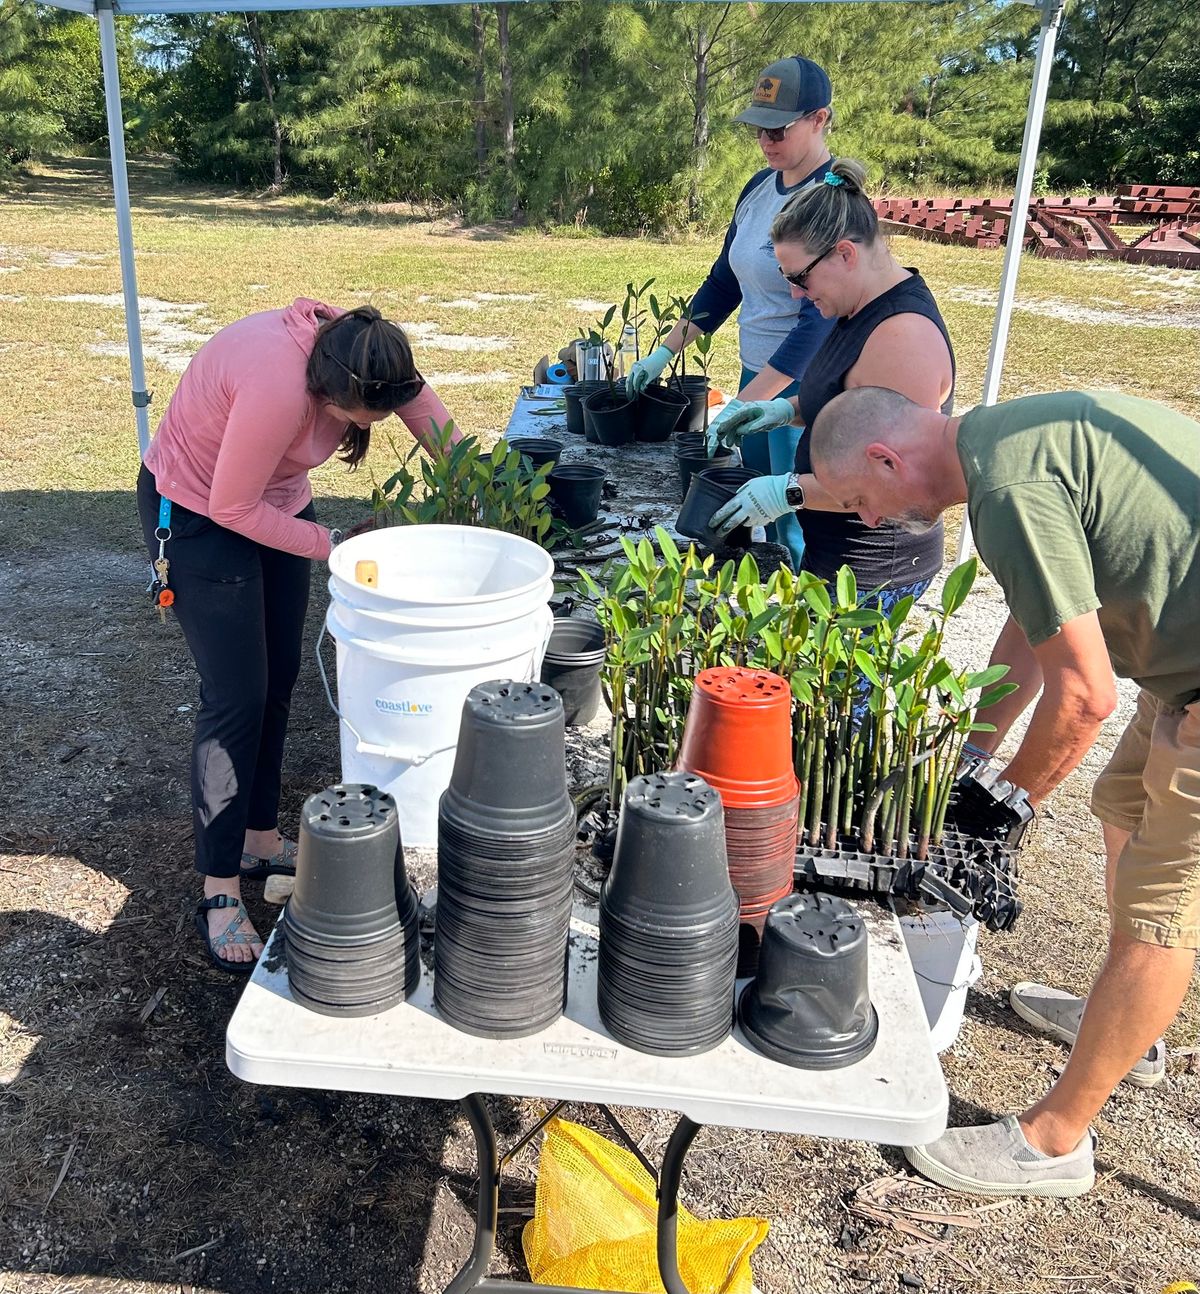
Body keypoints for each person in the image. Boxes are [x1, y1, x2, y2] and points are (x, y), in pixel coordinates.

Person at [807, 384, 1200, 1197]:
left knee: (1161, 911)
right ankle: (1133, 1033)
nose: (870, 521)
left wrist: (1003, 808)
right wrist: (974, 758)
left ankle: (1055, 1142)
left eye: (860, 501)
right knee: (1124, 808)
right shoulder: (1003, 443)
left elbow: (1086, 696)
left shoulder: (1009, 485)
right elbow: (1039, 620)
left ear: (887, 458)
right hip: (1182, 661)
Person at [137, 299, 460, 973]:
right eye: (368, 417)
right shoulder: (278, 385)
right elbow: (232, 505)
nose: (378, 425)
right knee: (235, 698)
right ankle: (220, 888)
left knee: (278, 676)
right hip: (201, 515)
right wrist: (332, 541)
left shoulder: (366, 348)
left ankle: (258, 838)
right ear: (337, 395)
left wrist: (479, 493)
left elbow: (424, 414)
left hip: (274, 500)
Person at [707, 159, 954, 614]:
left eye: (799, 279)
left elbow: (894, 482)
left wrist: (788, 492)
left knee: (835, 687)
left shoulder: (903, 338)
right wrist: (784, 410)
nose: (797, 295)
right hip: (836, 557)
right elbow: (853, 403)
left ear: (845, 254)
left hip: (872, 568)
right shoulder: (856, 306)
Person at [624, 55, 840, 566]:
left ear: (819, 119)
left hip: (803, 388)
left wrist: (750, 400)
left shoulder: (831, 201)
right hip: (757, 372)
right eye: (759, 129)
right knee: (758, 505)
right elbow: (723, 282)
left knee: (796, 515)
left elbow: (818, 324)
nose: (767, 142)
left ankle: (808, 618)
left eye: (779, 129)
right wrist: (664, 352)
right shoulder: (758, 189)